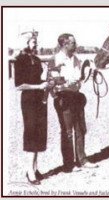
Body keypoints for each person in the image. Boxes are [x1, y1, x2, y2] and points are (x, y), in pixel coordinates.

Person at [52, 33, 97, 172]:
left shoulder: (77, 59)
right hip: (63, 98)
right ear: (65, 44)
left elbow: (80, 78)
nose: (76, 45)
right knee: (67, 132)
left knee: (80, 129)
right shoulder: (55, 59)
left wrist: (88, 75)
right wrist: (69, 81)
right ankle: (68, 164)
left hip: (76, 97)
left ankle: (82, 160)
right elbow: (55, 81)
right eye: (73, 43)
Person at [14, 31, 48, 185]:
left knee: (40, 133)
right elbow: (19, 85)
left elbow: (40, 79)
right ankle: (29, 171)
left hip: (40, 99)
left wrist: (47, 78)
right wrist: (39, 86)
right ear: (26, 43)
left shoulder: (36, 59)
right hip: (28, 101)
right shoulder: (20, 60)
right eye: (33, 41)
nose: (36, 43)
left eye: (36, 41)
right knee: (31, 133)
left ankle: (34, 168)